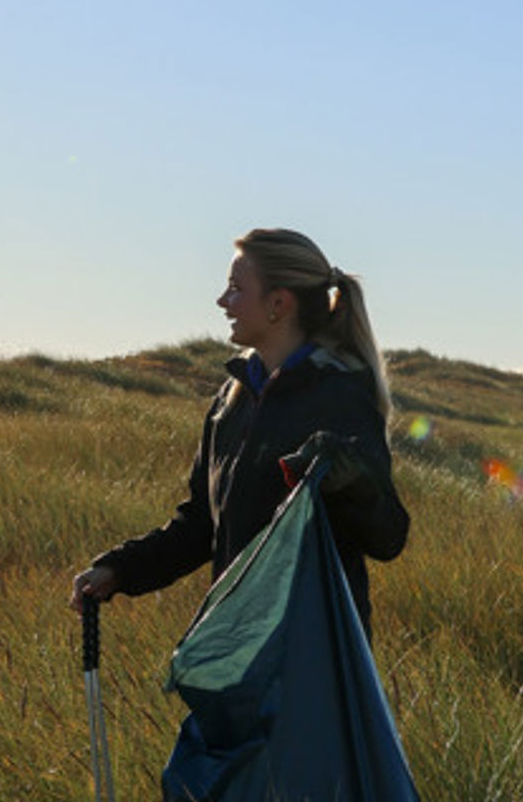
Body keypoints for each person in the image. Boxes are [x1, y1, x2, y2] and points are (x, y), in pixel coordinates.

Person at [69, 228, 408, 640]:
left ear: (278, 304)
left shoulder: (338, 396)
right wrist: (118, 570)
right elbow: (200, 527)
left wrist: (351, 482)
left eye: (235, 289)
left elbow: (388, 537)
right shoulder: (233, 398)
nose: (222, 301)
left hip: (311, 662)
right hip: (234, 653)